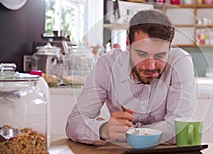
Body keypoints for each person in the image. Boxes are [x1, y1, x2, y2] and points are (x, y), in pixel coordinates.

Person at [66, 10, 197, 145]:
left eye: (160, 56)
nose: (151, 66)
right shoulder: (108, 65)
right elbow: (74, 122)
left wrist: (130, 133)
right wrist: (103, 129)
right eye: (142, 54)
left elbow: (180, 128)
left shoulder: (180, 62)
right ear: (128, 42)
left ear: (170, 47)